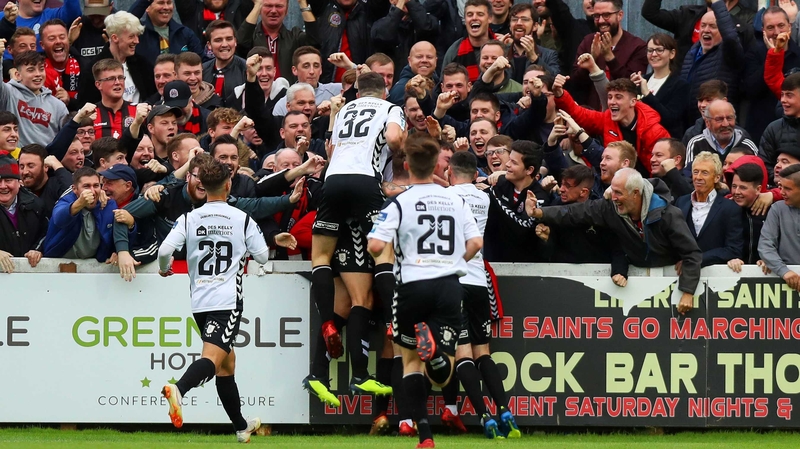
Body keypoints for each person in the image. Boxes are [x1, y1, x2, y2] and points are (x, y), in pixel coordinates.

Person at [367, 133, 484, 448]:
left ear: (405, 165)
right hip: (448, 285)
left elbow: (376, 244)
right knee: (443, 375)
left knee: (409, 364)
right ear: (437, 166)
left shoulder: (398, 202)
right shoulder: (455, 199)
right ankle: (434, 357)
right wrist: (453, 262)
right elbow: (476, 243)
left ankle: (425, 436)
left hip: (411, 286)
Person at [157, 155, 264, 442]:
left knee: (226, 363)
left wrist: (164, 268)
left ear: (202, 185)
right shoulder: (241, 218)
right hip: (227, 300)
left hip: (200, 301)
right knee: (213, 359)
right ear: (229, 184)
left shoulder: (189, 218)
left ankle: (241, 427)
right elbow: (263, 255)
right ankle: (179, 388)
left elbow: (165, 251)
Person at [310, 72, 404, 394]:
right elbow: (393, 139)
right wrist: (400, 150)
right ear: (384, 91)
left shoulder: (346, 109)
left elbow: (333, 151)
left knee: (320, 256)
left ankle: (325, 323)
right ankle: (395, 323)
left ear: (357, 91)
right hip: (366, 183)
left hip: (333, 182)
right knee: (382, 256)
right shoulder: (391, 108)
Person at [526, 167, 703, 315]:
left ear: (635, 193)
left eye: (618, 192)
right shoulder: (610, 208)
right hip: (632, 285)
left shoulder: (669, 215)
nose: (613, 197)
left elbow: (691, 253)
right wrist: (539, 212)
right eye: (613, 190)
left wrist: (687, 292)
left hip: (668, 284)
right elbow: (575, 213)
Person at [447, 150, 518, 439]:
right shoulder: (485, 197)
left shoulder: (445, 197)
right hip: (479, 283)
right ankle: (505, 411)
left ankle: (484, 417)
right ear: (476, 175)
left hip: (453, 280)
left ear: (450, 173)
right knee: (483, 351)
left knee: (462, 353)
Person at [553, 75, 669, 176]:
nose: (612, 102)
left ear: (633, 102)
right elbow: (580, 113)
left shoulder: (654, 130)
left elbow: (661, 169)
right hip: (617, 184)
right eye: (610, 97)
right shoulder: (607, 119)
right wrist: (560, 94)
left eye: (618, 97)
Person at [675, 151, 743, 267]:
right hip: (681, 274)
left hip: (716, 277)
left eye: (705, 173)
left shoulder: (730, 209)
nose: (698, 177)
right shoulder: (681, 203)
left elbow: (733, 249)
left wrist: (698, 259)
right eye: (695, 172)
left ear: (717, 177)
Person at [42, 166, 116, 262]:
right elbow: (58, 219)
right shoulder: (66, 200)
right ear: (74, 189)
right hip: (59, 263)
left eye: (96, 186)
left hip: (94, 267)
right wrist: (79, 204)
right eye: (86, 186)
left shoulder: (108, 204)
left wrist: (117, 251)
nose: (92, 191)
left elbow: (117, 232)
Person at [0, 50, 68, 147]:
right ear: (17, 75)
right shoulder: (8, 92)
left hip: (46, 159)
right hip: (13, 159)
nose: (38, 74)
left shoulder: (58, 106)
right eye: (31, 70)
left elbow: (66, 139)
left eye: (41, 69)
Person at [629, 33, 689, 139]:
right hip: (640, 140)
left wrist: (647, 95)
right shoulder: (642, 80)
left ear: (672, 54)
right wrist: (629, 90)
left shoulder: (680, 84)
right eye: (650, 50)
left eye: (659, 50)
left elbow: (670, 119)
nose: (654, 54)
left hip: (666, 143)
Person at [0, 150, 47, 273]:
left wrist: (37, 249)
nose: (3, 186)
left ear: (19, 182)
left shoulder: (36, 205)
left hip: (28, 279)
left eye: (8, 180)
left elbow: (47, 232)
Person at [759, 164, 800, 292]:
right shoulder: (778, 209)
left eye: (788, 188)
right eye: (781, 187)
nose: (782, 192)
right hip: (785, 285)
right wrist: (783, 271)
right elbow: (765, 245)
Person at [724, 159, 770, 272]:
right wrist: (729, 259)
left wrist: (769, 260)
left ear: (758, 189)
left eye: (743, 188)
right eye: (734, 186)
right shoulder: (724, 209)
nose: (736, 192)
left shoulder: (772, 211)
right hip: (730, 275)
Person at [18, 144, 73, 217]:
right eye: (21, 167)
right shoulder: (19, 193)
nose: (25, 172)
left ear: (45, 167)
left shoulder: (56, 185)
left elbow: (73, 193)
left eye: (31, 166)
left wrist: (57, 165)